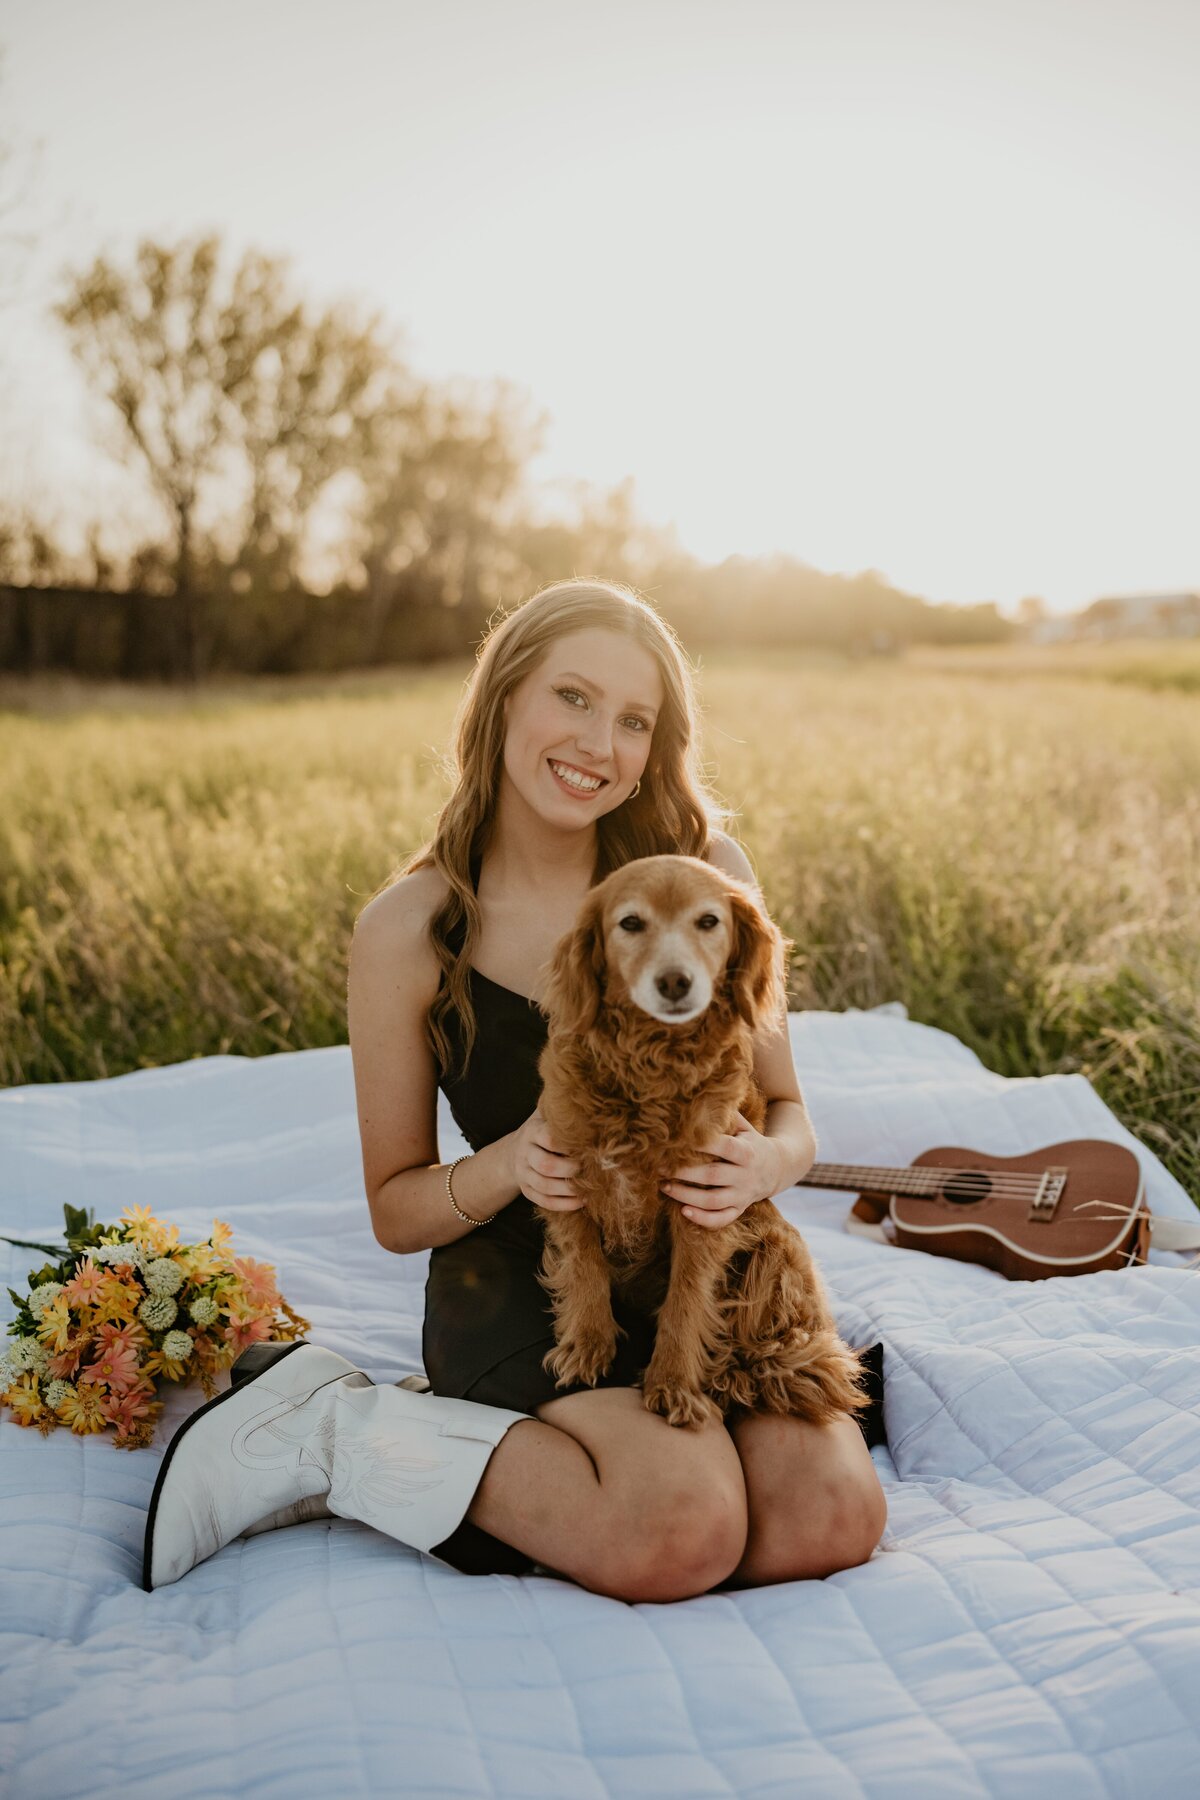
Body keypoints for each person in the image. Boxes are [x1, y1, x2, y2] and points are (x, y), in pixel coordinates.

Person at [142, 578, 887, 1599]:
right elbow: (397, 1210)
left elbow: (791, 1113)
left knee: (828, 1520)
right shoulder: (409, 927)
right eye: (571, 698)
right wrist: (514, 1160)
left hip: (702, 1278)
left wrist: (767, 1156)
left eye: (634, 720)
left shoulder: (702, 872)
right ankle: (344, 1428)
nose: (598, 742)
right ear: (503, 702)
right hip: (528, 1276)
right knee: (681, 1529)